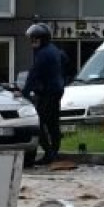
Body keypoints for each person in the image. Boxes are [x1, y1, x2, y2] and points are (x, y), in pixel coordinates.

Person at [22, 23, 67, 167]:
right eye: (31, 39)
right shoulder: (54, 50)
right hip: (56, 90)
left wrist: (24, 93)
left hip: (49, 93)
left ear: (43, 39)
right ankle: (54, 152)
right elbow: (66, 61)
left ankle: (49, 153)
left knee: (39, 123)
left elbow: (33, 74)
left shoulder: (43, 53)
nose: (32, 42)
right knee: (53, 123)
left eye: (35, 39)